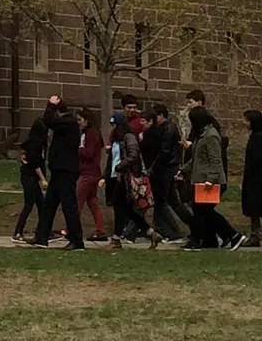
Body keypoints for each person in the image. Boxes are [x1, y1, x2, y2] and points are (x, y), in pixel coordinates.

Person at [184, 107, 244, 250]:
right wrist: (183, 170)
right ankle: (210, 240)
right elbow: (197, 159)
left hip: (211, 181)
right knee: (203, 212)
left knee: (203, 211)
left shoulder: (211, 136)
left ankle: (231, 234)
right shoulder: (202, 135)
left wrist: (211, 179)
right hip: (201, 180)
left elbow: (215, 160)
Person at [32, 96, 86, 249]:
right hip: (59, 170)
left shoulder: (68, 122)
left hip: (65, 171)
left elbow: (48, 120)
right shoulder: (66, 124)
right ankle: (41, 237)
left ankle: (77, 240)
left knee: (69, 206)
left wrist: (50, 105)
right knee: (49, 205)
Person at [106, 110, 161, 250]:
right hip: (118, 177)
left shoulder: (128, 137)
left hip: (126, 178)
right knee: (128, 210)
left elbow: (133, 155)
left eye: (114, 125)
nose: (112, 128)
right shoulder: (117, 141)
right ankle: (151, 233)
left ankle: (116, 238)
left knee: (119, 207)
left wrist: (120, 166)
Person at [143, 105, 185, 242]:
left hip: (167, 168)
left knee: (162, 202)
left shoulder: (167, 128)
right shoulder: (162, 129)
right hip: (165, 168)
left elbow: (164, 151)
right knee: (169, 202)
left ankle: (172, 231)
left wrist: (155, 166)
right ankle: (166, 229)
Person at [240, 111, 262, 247]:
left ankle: (257, 235)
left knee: (256, 207)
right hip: (255, 178)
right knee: (255, 208)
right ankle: (259, 232)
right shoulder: (255, 137)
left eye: (247, 120)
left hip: (257, 179)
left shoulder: (258, 138)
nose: (244, 123)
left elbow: (256, 160)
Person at [14, 116, 48, 242]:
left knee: (41, 205)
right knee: (29, 204)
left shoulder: (34, 142)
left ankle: (44, 230)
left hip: (30, 176)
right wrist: (43, 179)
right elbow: (35, 163)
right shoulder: (35, 144)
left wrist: (21, 156)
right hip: (29, 177)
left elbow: (22, 149)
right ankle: (18, 232)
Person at [76, 107, 108, 242]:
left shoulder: (91, 134)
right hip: (91, 172)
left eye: (80, 120)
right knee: (92, 201)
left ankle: (71, 228)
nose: (78, 122)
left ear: (87, 120)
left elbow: (89, 153)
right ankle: (101, 230)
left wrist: (77, 149)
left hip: (89, 173)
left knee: (78, 200)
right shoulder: (89, 133)